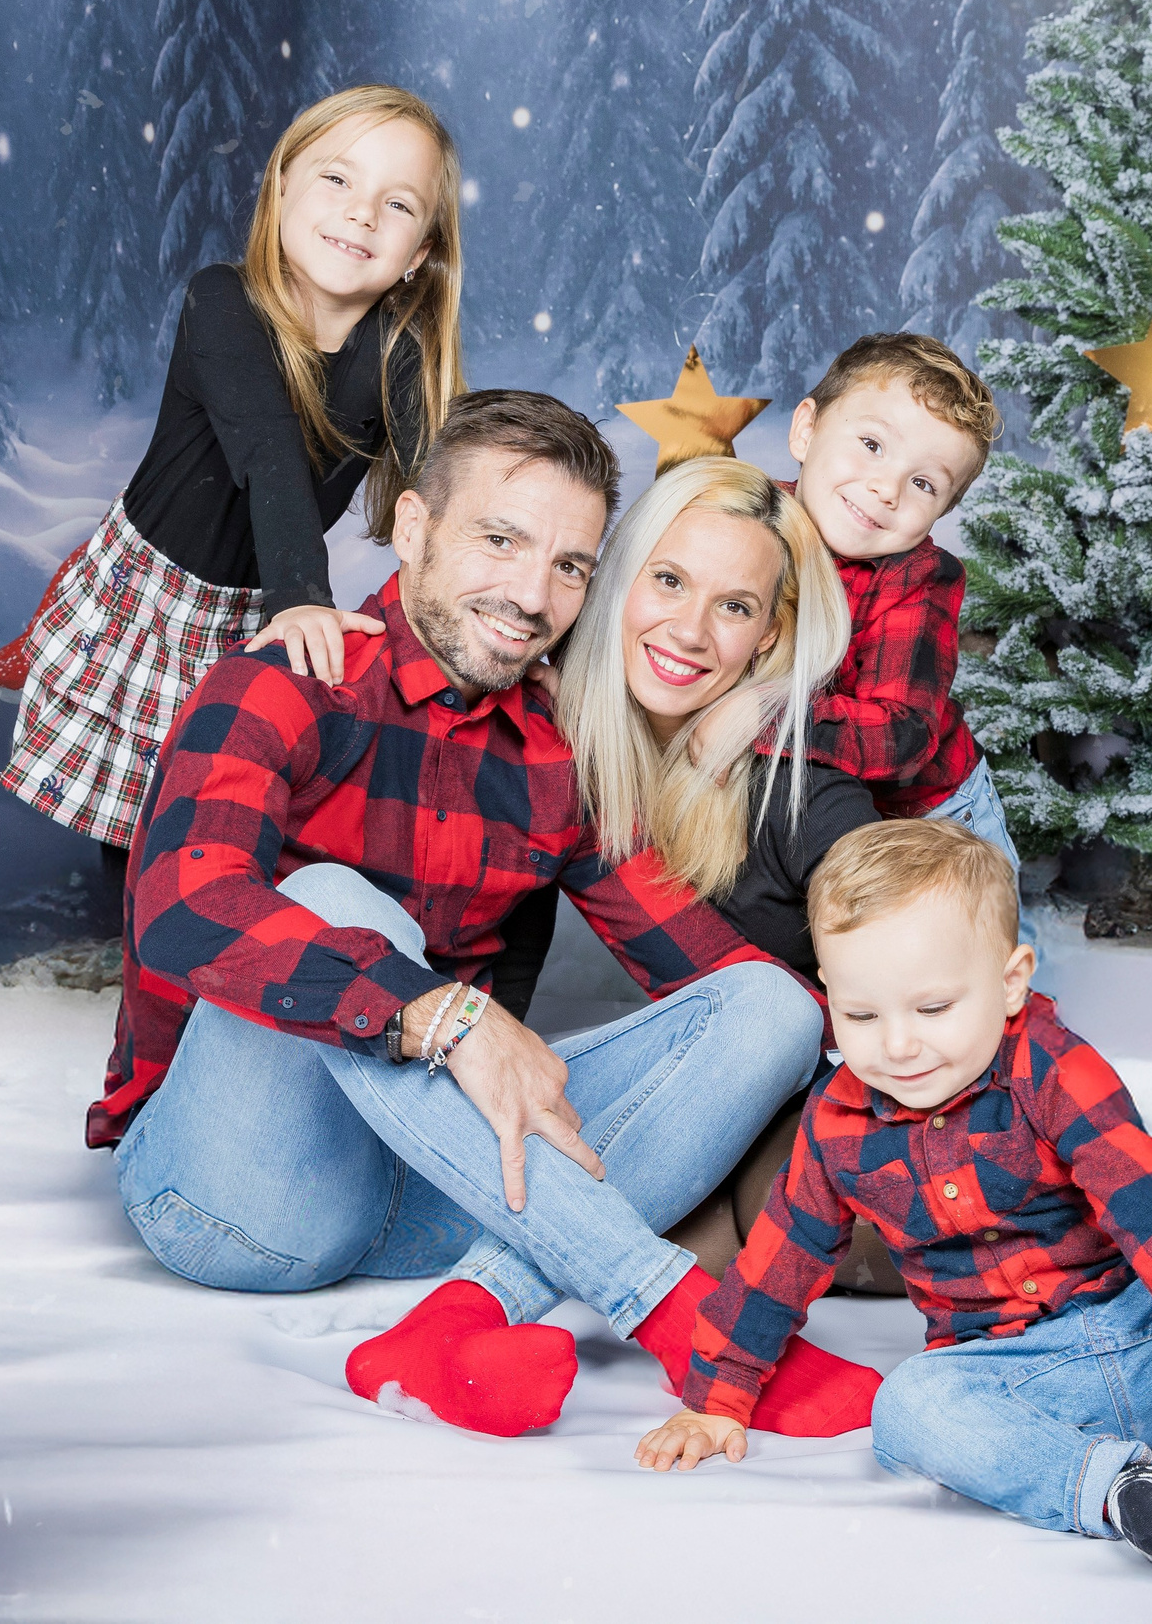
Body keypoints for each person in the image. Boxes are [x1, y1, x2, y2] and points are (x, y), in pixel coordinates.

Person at [96, 390, 878, 1442]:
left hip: (439, 1197)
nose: (530, 595)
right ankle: (676, 1314)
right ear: (415, 528)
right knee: (336, 902)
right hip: (234, 1196)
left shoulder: (557, 746)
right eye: (500, 540)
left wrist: (947, 1071)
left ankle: (459, 1318)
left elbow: (702, 971)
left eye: (570, 566)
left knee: (769, 1009)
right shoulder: (288, 679)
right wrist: (447, 1018)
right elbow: (183, 907)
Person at [637, 820, 1152, 1571]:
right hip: (1026, 1380)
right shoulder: (838, 1121)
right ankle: (1122, 1488)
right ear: (830, 995)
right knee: (908, 1408)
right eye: (861, 1016)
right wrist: (717, 1399)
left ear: (1010, 982)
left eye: (933, 1007)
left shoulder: (1051, 1066)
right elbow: (780, 1259)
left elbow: (1145, 1192)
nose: (897, 1045)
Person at [0, 84, 464, 869]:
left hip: (262, 609)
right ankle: (140, 927)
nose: (361, 214)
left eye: (397, 204)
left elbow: (444, 493)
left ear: (419, 253)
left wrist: (491, 620)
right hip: (159, 595)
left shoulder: (399, 355)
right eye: (338, 179)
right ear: (281, 187)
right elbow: (268, 450)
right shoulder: (222, 301)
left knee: (232, 811)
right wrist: (302, 596)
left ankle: (215, 923)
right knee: (147, 818)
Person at [693, 333, 1038, 955]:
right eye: (872, 445)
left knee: (969, 965)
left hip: (934, 818)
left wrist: (760, 717)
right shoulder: (753, 524)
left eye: (924, 484)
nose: (887, 489)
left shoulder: (919, 579)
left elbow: (902, 734)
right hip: (824, 807)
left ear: (942, 512)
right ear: (806, 430)